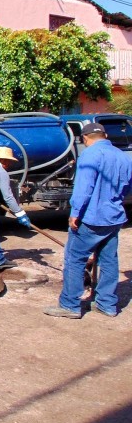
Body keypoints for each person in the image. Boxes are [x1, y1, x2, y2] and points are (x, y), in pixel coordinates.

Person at [44, 123, 132, 319]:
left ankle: (70, 305)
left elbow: (84, 187)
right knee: (108, 260)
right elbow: (127, 187)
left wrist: (75, 212)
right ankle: (107, 304)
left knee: (74, 259)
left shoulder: (90, 155)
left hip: (92, 218)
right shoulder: (123, 157)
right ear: (105, 135)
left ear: (85, 138)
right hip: (114, 216)